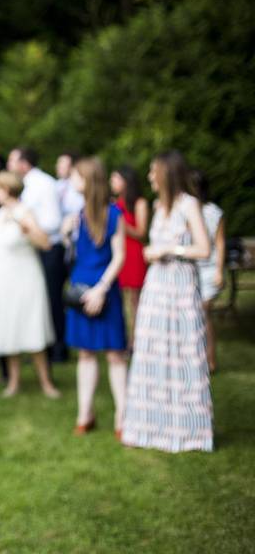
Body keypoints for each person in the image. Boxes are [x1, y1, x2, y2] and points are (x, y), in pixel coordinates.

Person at [122, 151, 213, 453]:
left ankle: (188, 429)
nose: (149, 176)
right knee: (151, 351)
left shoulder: (188, 205)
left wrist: (170, 250)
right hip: (157, 287)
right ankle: (151, 425)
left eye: (153, 171)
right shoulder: (159, 207)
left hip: (180, 286)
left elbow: (203, 249)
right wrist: (152, 252)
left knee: (183, 352)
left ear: (165, 173)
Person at [0, 171, 60, 398]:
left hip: (25, 277)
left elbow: (45, 243)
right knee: (10, 328)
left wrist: (26, 228)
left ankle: (46, 382)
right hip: (3, 277)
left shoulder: (24, 212)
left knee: (31, 325)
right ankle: (14, 382)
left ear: (6, 189)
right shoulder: (0, 213)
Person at [62, 158, 128, 437]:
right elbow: (74, 252)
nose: (72, 181)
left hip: (104, 288)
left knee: (115, 355)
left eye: (76, 176)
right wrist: (67, 234)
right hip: (80, 287)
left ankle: (123, 418)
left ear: (89, 181)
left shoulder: (114, 214)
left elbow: (120, 256)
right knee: (85, 353)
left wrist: (101, 288)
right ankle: (84, 413)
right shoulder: (77, 214)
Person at [8, 147, 68, 362]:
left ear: (24, 164)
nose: (9, 165)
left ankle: (59, 350)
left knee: (52, 300)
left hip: (49, 248)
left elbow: (53, 221)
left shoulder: (43, 184)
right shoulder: (27, 185)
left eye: (12, 161)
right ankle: (42, 346)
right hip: (34, 249)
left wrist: (29, 227)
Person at [190, 170, 225, 373]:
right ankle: (196, 358)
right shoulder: (185, 211)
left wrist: (219, 271)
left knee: (203, 313)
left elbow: (220, 244)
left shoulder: (214, 213)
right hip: (191, 270)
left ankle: (210, 361)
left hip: (209, 269)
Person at [110, 165, 149, 343]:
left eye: (116, 178)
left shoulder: (140, 203)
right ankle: (125, 339)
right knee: (120, 300)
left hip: (134, 253)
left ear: (126, 181)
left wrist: (122, 225)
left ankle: (137, 340)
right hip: (118, 252)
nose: (112, 182)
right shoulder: (114, 203)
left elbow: (141, 232)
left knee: (135, 300)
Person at [55, 152, 85, 220]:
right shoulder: (57, 185)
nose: (58, 167)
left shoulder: (79, 186)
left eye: (62, 164)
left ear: (72, 167)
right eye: (58, 164)